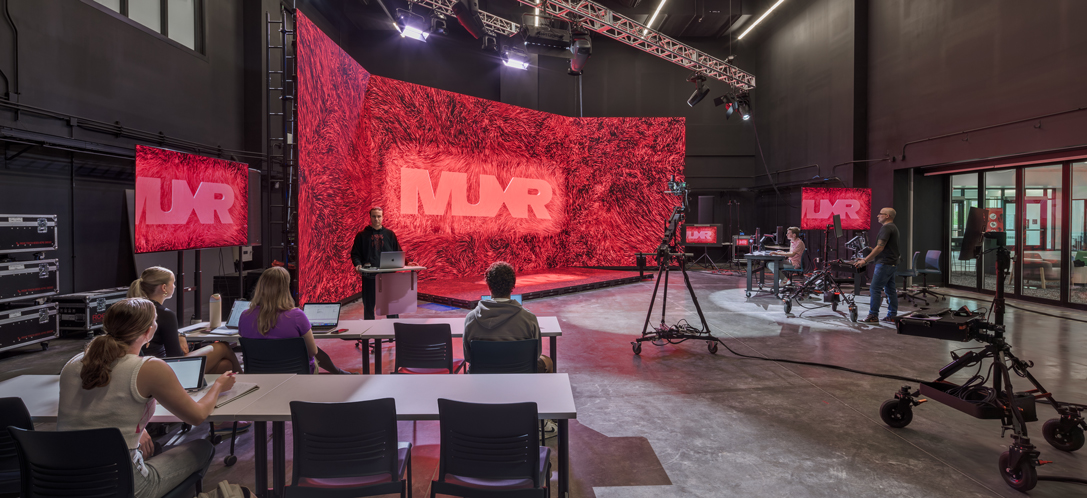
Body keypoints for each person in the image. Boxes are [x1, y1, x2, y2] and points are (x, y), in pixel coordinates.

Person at [58, 298, 237, 498]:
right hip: (124, 484)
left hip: (64, 479)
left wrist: (139, 430)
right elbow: (196, 417)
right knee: (202, 448)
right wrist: (219, 386)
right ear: (148, 331)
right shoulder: (149, 367)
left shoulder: (73, 363)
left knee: (156, 448)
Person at [239, 266, 353, 375]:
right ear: (285, 289)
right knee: (311, 348)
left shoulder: (244, 316)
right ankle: (340, 373)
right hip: (295, 373)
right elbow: (313, 352)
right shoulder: (296, 316)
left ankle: (340, 373)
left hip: (259, 374)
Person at [129, 267, 240, 375]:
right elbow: (176, 357)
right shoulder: (165, 314)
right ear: (164, 288)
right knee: (223, 346)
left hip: (143, 368)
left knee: (225, 365)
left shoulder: (133, 309)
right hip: (165, 368)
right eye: (173, 283)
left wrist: (179, 334)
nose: (175, 286)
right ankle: (249, 381)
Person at [463, 261, 554, 374]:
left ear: (489, 286)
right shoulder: (529, 319)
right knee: (548, 361)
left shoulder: (471, 319)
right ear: (513, 286)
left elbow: (468, 357)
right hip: (519, 375)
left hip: (483, 377)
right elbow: (536, 355)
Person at [351, 207, 402, 320]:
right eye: (374, 216)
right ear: (370, 217)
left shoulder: (390, 234)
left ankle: (392, 331)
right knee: (369, 306)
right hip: (369, 277)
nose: (376, 219)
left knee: (391, 306)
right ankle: (368, 332)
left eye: (379, 216)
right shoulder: (362, 235)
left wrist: (408, 262)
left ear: (383, 217)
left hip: (388, 276)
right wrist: (357, 264)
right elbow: (355, 253)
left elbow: (398, 252)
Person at [855, 207, 901, 322]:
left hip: (885, 264)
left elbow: (880, 247)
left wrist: (865, 261)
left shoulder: (886, 228)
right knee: (890, 290)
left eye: (880, 214)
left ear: (887, 216)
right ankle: (892, 316)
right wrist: (868, 257)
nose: (877, 216)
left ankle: (873, 316)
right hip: (891, 263)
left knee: (874, 288)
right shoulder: (893, 227)